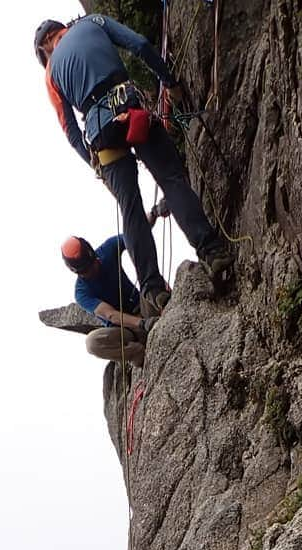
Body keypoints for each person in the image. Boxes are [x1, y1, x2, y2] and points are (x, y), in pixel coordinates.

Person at [34, 14, 232, 318]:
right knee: (170, 178)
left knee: (130, 208)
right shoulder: (93, 23)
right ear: (60, 30)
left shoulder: (50, 73)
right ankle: (212, 251)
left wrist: (95, 164)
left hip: (101, 135)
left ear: (45, 48)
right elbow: (139, 44)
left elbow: (71, 131)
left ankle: (152, 290)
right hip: (129, 108)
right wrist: (170, 82)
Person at [62, 231, 158, 367]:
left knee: (148, 281)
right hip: (127, 331)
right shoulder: (81, 292)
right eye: (85, 271)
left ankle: (163, 302)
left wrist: (155, 213)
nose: (91, 271)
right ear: (77, 272)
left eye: (91, 264)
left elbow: (134, 230)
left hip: (143, 307)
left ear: (93, 255)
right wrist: (142, 323)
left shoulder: (107, 250)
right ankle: (136, 353)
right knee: (92, 343)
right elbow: (110, 315)